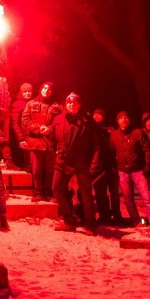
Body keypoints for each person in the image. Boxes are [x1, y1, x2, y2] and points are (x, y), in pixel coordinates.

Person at [51, 93, 100, 236]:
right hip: (62, 160)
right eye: (69, 102)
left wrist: (95, 162)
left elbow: (97, 144)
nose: (71, 105)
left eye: (74, 102)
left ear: (79, 104)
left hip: (81, 161)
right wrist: (56, 151)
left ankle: (90, 225)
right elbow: (53, 138)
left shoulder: (87, 121)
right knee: (56, 188)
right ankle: (69, 221)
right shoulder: (59, 119)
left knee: (85, 193)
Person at [110, 111, 150, 233]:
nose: (123, 120)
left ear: (129, 120)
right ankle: (135, 220)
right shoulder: (114, 135)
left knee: (147, 197)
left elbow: (147, 150)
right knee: (128, 199)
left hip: (138, 171)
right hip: (122, 172)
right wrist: (113, 168)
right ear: (118, 121)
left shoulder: (138, 132)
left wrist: (147, 166)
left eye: (126, 118)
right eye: (121, 118)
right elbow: (111, 154)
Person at [21, 81, 62, 201]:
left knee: (49, 170)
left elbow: (59, 122)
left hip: (50, 142)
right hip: (35, 141)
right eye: (44, 88)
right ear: (40, 89)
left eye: (49, 89)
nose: (46, 90)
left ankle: (49, 193)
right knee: (37, 169)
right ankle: (38, 192)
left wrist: (50, 129)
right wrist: (38, 128)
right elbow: (25, 119)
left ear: (52, 92)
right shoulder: (31, 104)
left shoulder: (56, 106)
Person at [91, 108, 122, 224]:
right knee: (100, 193)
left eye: (100, 115)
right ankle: (104, 216)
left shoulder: (110, 132)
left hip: (111, 166)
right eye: (95, 115)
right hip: (98, 167)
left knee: (114, 192)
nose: (97, 117)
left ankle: (117, 216)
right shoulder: (90, 130)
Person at [9, 83, 33, 170]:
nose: (27, 93)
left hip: (31, 135)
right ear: (21, 92)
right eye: (25, 92)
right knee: (28, 163)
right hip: (24, 136)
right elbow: (15, 123)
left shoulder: (32, 103)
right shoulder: (17, 104)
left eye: (29, 91)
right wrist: (21, 139)